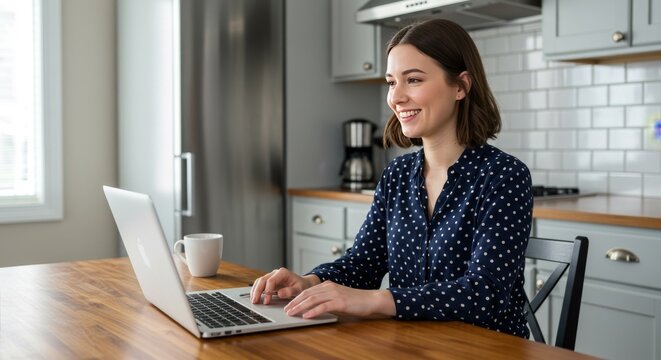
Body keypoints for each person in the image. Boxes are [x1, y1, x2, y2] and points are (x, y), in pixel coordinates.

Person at [250, 18, 533, 338]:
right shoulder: (397, 175)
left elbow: (486, 293)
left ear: (460, 86)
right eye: (391, 82)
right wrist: (311, 282)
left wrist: (375, 301)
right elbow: (363, 263)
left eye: (412, 80)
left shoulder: (503, 176)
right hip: (412, 345)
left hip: (487, 349)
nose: (395, 97)